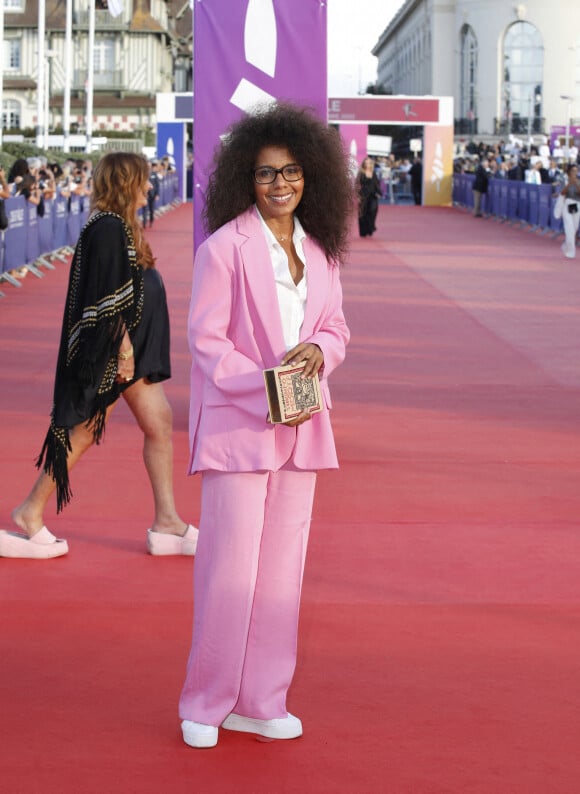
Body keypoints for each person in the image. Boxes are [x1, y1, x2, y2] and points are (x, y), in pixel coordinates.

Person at [178, 102, 351, 748]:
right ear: (244, 182)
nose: (280, 185)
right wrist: (269, 390)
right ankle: (205, 700)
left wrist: (320, 353)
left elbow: (337, 328)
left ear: (312, 176)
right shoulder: (225, 249)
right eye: (266, 174)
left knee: (282, 573)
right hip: (243, 428)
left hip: (305, 430)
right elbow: (207, 343)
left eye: (292, 172)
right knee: (230, 571)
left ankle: (261, 697)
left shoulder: (322, 251)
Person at [0, 152, 197, 559]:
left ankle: (167, 522)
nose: (149, 187)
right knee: (89, 430)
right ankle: (30, 511)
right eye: (143, 181)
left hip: (129, 351)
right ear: (127, 183)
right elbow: (105, 300)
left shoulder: (118, 226)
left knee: (156, 424)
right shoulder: (108, 228)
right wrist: (123, 350)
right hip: (116, 352)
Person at [356, 156, 381, 236]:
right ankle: (364, 231)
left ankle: (371, 227)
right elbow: (356, 185)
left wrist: (379, 193)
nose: (368, 164)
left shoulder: (373, 173)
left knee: (373, 211)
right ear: (363, 164)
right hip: (363, 195)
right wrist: (357, 196)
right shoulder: (361, 173)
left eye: (369, 163)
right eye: (366, 163)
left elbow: (377, 184)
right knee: (363, 213)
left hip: (373, 195)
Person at [560, 163, 580, 259]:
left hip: (577, 205)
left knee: (574, 228)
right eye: (573, 171)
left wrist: (575, 183)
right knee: (569, 228)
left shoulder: (579, 181)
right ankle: (571, 252)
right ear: (569, 172)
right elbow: (562, 192)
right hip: (567, 205)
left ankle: (566, 245)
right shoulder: (564, 180)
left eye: (576, 171)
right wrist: (569, 184)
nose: (575, 173)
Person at [143, 160, 161, 228]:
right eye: (147, 166)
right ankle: (144, 224)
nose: (148, 167)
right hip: (145, 195)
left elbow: (157, 185)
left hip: (152, 195)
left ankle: (151, 221)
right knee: (145, 210)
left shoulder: (154, 174)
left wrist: (157, 194)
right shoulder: (143, 174)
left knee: (152, 210)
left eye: (149, 165)